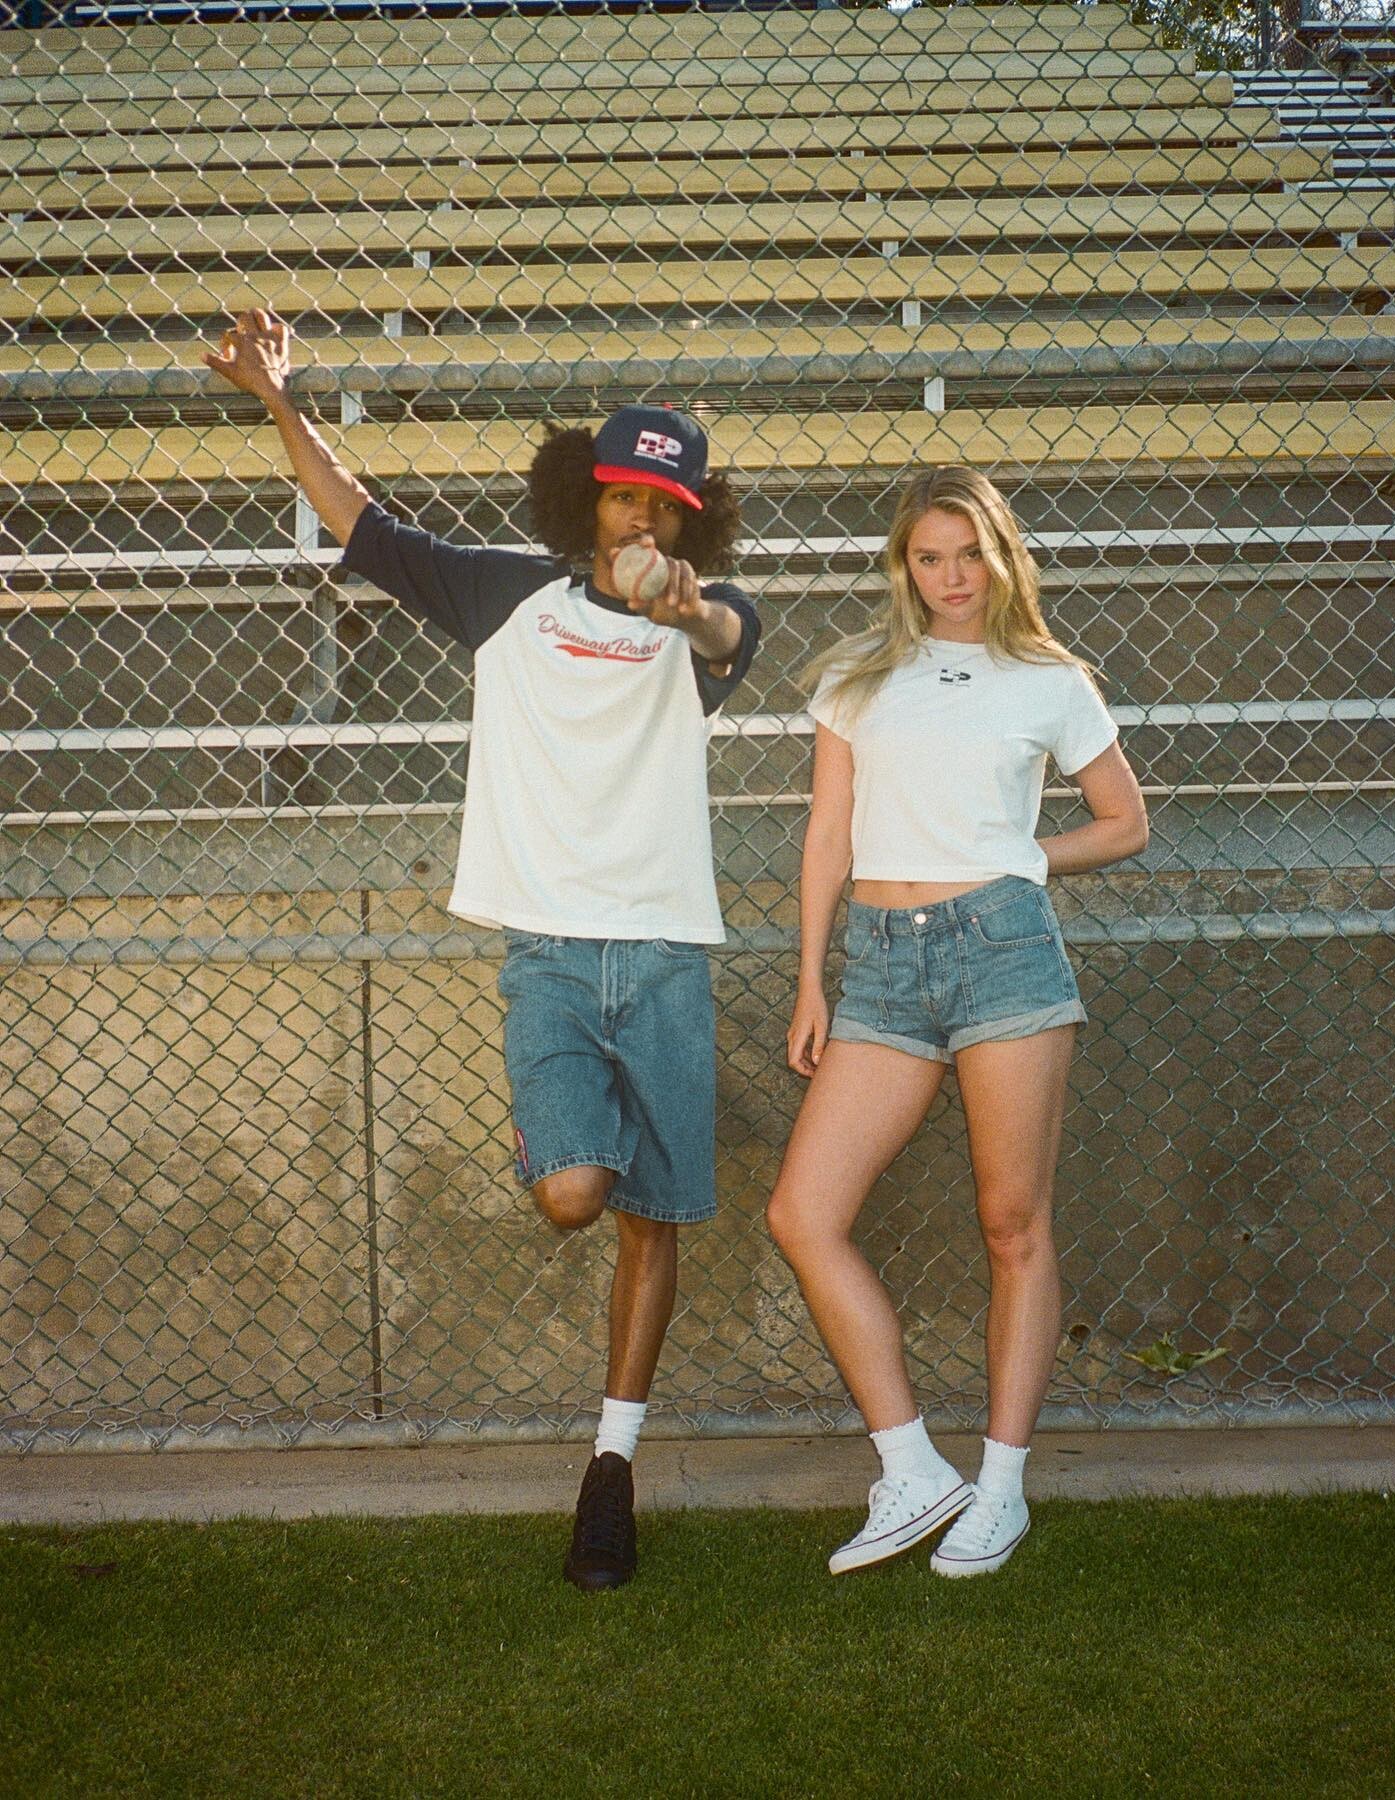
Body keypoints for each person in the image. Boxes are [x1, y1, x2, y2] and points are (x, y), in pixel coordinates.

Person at [204, 309, 759, 1592]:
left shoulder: (712, 618)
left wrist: (686, 610)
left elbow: (725, 637)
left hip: (666, 955)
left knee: (656, 1221)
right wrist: (276, 397)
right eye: (623, 495)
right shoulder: (508, 599)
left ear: (692, 524)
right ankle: (554, 1139)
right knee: (575, 1194)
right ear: (586, 497)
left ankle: (610, 1470)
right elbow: (363, 525)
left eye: (664, 505)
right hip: (551, 955)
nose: (641, 519)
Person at [767, 466, 1147, 1578]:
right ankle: (911, 1469)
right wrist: (811, 979)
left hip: (1003, 953)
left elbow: (1125, 822)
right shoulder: (856, 677)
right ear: (905, 567)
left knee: (1012, 1225)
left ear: (1000, 556)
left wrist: (1023, 861)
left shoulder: (1050, 679)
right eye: (929, 557)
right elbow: (828, 832)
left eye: (970, 554)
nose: (952, 576)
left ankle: (1002, 1486)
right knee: (803, 1213)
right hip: (882, 967)